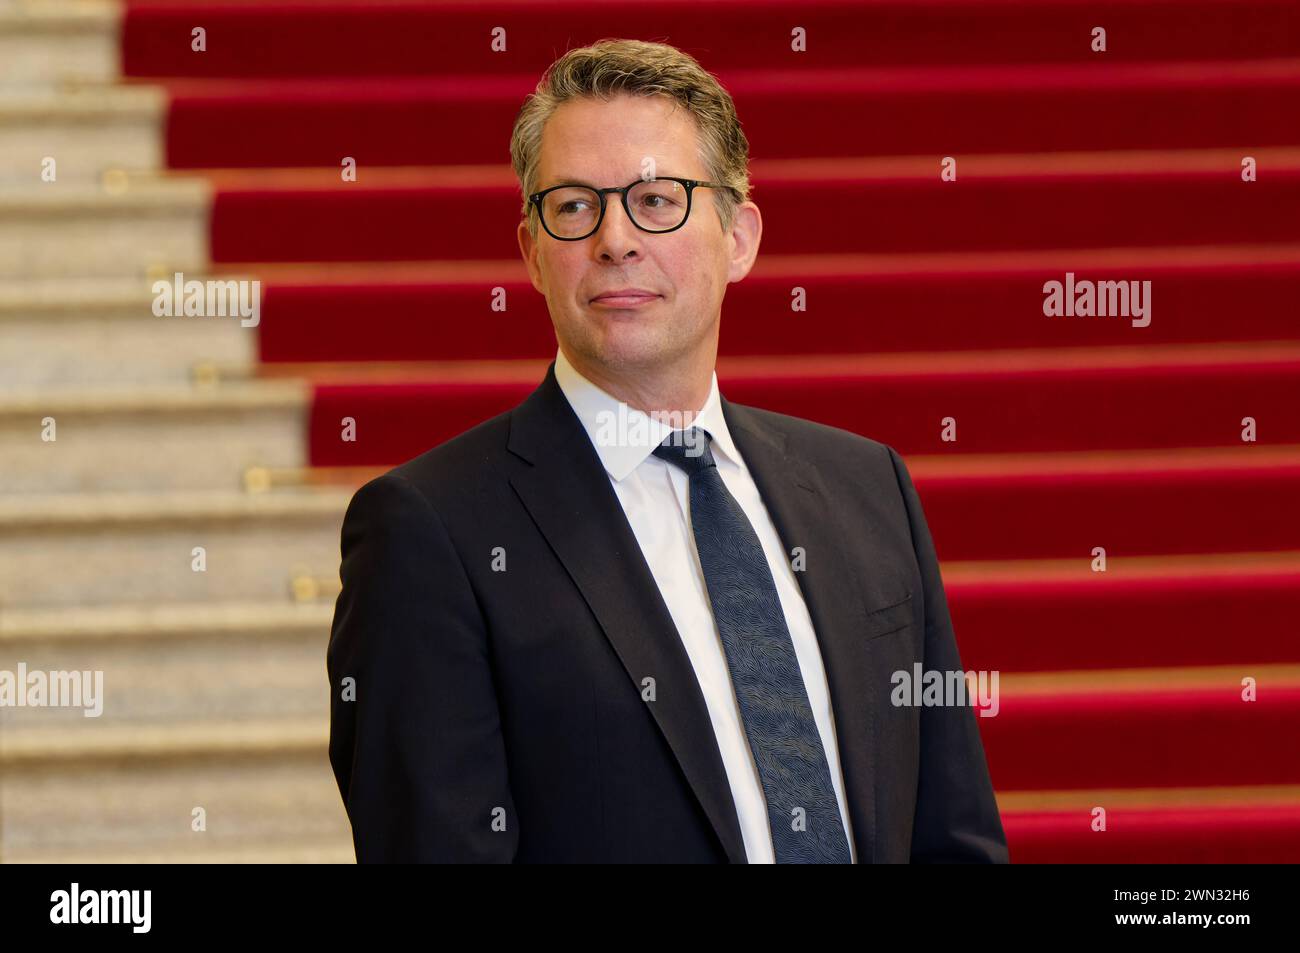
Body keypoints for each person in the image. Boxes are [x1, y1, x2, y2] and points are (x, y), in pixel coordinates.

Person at [327, 38, 1008, 863]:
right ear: (532, 254)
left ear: (741, 237)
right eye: (574, 206)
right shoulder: (429, 532)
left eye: (657, 199)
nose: (615, 238)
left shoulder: (869, 487)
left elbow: (954, 834)